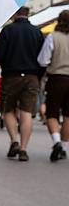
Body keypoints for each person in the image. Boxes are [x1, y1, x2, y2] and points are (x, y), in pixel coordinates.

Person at [0, 6, 44, 161]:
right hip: (32, 76)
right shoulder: (37, 32)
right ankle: (23, 149)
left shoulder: (8, 31)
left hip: (11, 76)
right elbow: (43, 58)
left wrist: (7, 63)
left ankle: (14, 140)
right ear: (28, 14)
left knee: (8, 110)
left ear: (15, 14)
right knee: (26, 112)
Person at [37, 9, 69, 162]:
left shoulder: (53, 37)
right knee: (68, 116)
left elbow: (43, 60)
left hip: (57, 79)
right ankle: (64, 147)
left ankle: (57, 142)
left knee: (52, 113)